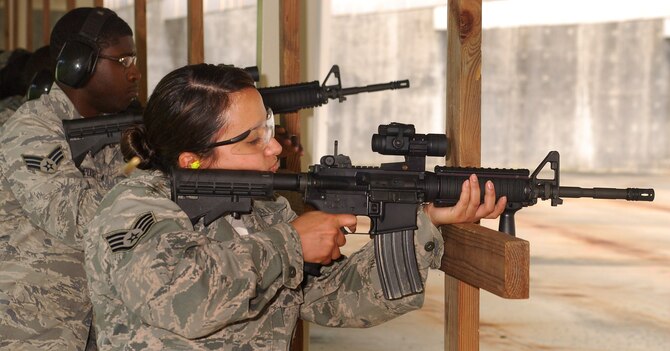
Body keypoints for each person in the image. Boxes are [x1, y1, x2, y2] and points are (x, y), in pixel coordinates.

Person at [83, 63, 507, 350]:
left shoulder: (263, 210)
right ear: (191, 159)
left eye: (268, 127)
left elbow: (333, 301)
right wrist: (290, 244)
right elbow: (183, 300)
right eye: (252, 139)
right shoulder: (134, 210)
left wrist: (418, 227)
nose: (274, 146)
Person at [0, 7, 140, 350]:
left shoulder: (110, 129)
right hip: (33, 327)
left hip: (94, 325)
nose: (135, 73)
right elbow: (73, 218)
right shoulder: (32, 128)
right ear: (79, 64)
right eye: (124, 62)